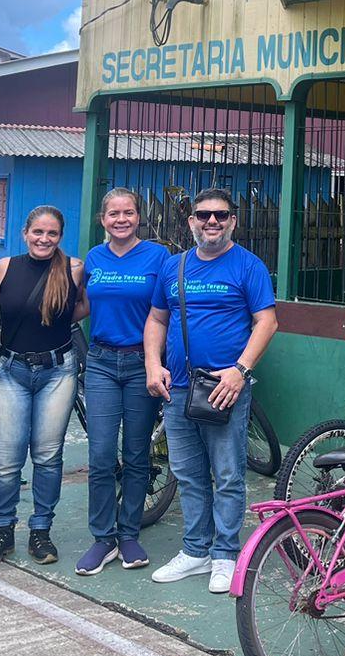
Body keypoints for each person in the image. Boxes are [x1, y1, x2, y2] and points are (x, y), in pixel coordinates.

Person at [145, 187, 277, 593]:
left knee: (227, 473)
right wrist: (153, 363)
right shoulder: (174, 266)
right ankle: (196, 550)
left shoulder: (248, 266)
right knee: (186, 473)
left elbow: (266, 322)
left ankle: (225, 554)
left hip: (224, 389)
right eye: (204, 215)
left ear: (233, 221)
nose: (212, 222)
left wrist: (240, 371)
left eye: (220, 215)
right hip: (179, 388)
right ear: (191, 222)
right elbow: (156, 319)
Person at [0, 205, 83, 568]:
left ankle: (41, 531)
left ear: (60, 237)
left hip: (58, 371)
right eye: (38, 232)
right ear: (25, 234)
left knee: (48, 456)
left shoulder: (74, 269)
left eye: (52, 234)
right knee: (6, 459)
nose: (44, 239)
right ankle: (2, 531)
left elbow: (79, 308)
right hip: (11, 371)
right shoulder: (4, 268)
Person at [75, 187, 171, 575]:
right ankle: (103, 538)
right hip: (100, 362)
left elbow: (166, 309)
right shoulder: (93, 259)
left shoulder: (157, 256)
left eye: (128, 212)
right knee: (100, 455)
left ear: (138, 217)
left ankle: (129, 533)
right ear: (103, 219)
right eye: (113, 213)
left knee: (135, 454)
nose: (121, 219)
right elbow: (75, 303)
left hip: (140, 364)